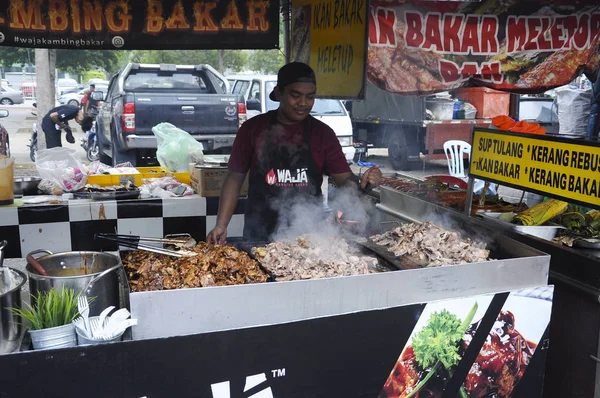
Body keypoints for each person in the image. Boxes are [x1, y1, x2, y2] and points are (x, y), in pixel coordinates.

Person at [207, 62, 382, 244]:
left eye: (310, 97)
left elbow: (344, 179)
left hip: (310, 237)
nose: (303, 103)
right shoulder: (253, 129)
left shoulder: (322, 134)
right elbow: (234, 178)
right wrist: (221, 224)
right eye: (295, 95)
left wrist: (363, 183)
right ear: (278, 93)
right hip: (259, 233)